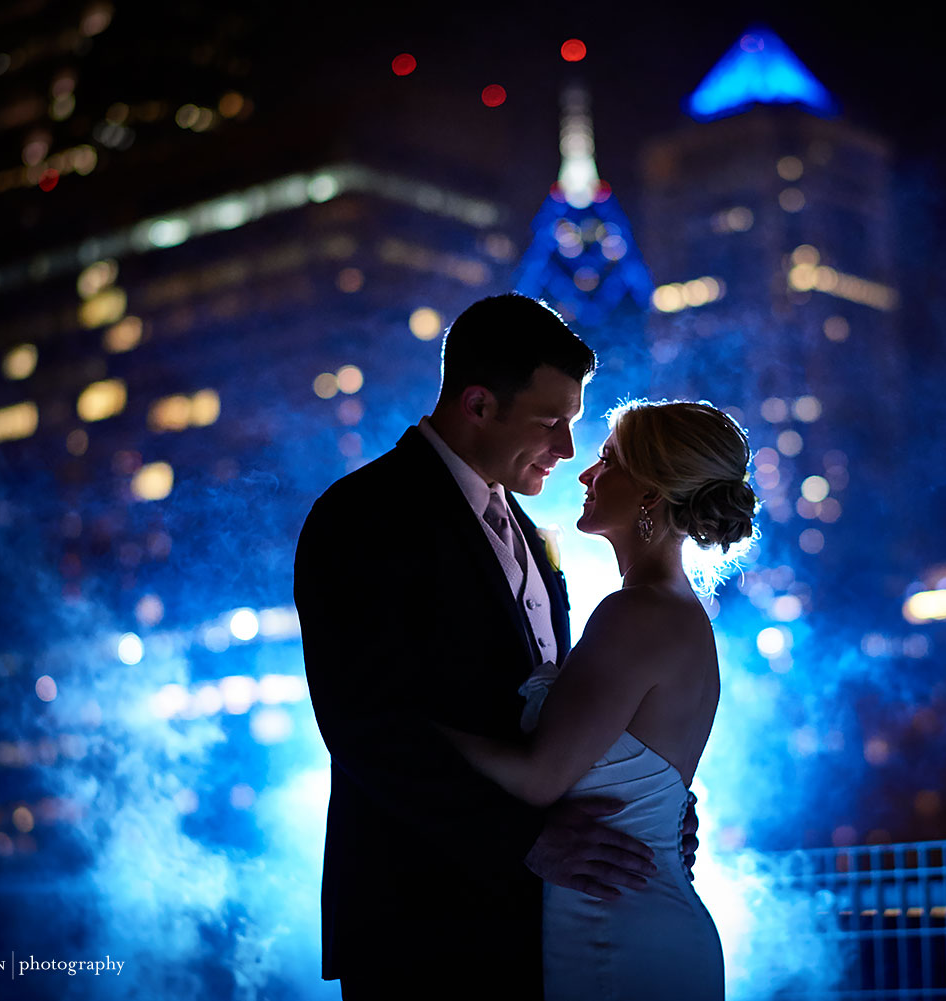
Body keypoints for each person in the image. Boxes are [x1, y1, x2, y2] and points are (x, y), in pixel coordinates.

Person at [294, 293, 669, 1000]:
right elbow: (363, 725)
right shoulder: (360, 515)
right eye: (551, 422)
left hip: (532, 921)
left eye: (575, 425)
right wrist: (524, 840)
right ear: (477, 404)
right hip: (415, 922)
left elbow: (551, 715)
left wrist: (646, 803)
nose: (567, 450)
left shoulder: (532, 533)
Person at [440, 399, 756, 1000]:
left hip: (616, 930)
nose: (585, 473)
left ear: (650, 495)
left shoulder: (635, 612)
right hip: (630, 918)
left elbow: (538, 780)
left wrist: (416, 726)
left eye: (607, 461)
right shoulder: (677, 613)